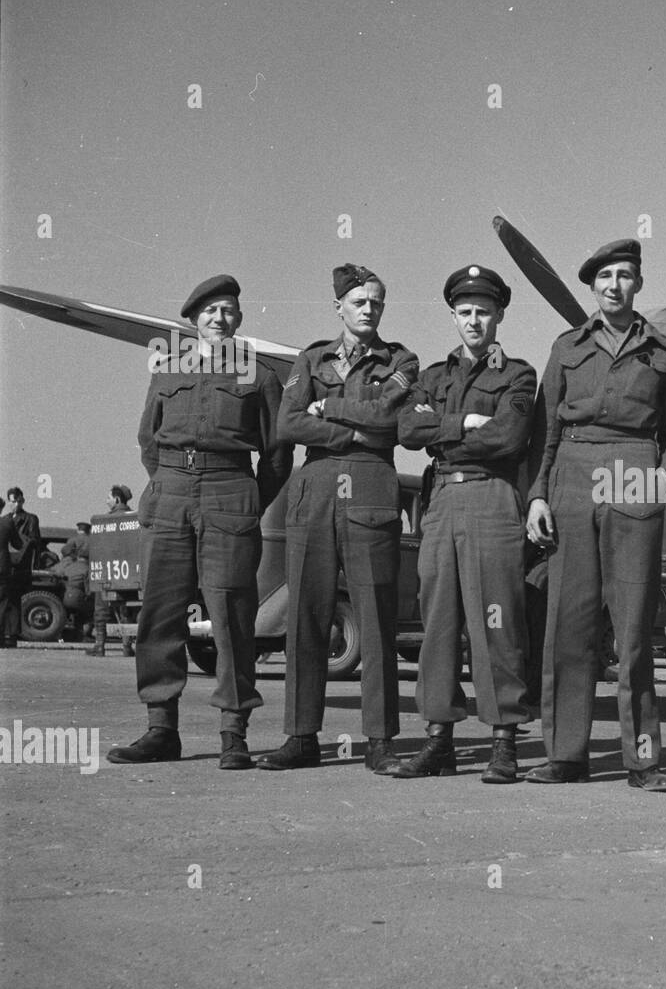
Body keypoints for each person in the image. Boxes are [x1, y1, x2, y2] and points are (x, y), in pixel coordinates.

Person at [107, 276, 291, 768]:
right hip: (169, 493)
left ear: (240, 318)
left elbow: (275, 456)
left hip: (230, 492)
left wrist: (245, 495)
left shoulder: (261, 377)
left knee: (232, 616)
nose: (219, 318)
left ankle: (234, 733)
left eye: (228, 310)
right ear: (193, 320)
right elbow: (148, 440)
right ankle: (161, 729)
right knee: (160, 612)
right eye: (210, 310)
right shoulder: (167, 370)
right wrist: (171, 481)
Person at [525, 237, 666, 790]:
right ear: (591, 288)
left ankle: (643, 760)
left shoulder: (664, 352)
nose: (614, 286)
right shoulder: (567, 347)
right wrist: (539, 494)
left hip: (635, 471)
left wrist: (662, 477)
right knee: (568, 625)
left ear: (638, 283)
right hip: (572, 473)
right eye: (605, 278)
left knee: (634, 629)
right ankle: (565, 754)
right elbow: (544, 431)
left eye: (624, 275)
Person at [259, 263, 418, 774]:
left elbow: (392, 419)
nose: (368, 309)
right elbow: (288, 423)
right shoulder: (311, 358)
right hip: (315, 489)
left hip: (372, 487)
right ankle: (301, 736)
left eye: (376, 301)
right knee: (306, 617)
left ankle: (380, 740)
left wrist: (328, 410)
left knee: (374, 617)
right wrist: (349, 430)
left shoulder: (402, 360)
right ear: (339, 307)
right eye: (359, 301)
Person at [392, 265, 536, 783]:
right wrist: (465, 422)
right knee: (438, 623)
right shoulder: (432, 375)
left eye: (483, 312)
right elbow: (407, 429)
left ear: (499, 315)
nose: (474, 321)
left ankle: (503, 741)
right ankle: (439, 740)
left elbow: (509, 438)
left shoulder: (518, 375)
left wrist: (444, 431)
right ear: (453, 315)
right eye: (465, 312)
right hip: (441, 503)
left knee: (495, 620)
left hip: (492, 497)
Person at [86, 485, 136, 657]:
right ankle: (127, 647)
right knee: (126, 612)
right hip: (131, 577)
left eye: (108, 497)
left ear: (116, 500)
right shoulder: (135, 520)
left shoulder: (104, 521)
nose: (106, 500)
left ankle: (99, 645)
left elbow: (91, 549)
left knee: (101, 610)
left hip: (107, 577)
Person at [0, 491, 34, 648]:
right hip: (4, 567)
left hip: (13, 567)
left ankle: (8, 635)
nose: (15, 505)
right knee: (4, 602)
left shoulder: (28, 519)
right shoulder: (7, 522)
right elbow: (18, 543)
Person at [56, 522, 93, 641]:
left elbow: (64, 551)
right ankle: (84, 633)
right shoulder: (92, 540)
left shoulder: (73, 540)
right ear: (88, 530)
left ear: (78, 530)